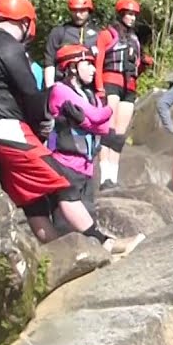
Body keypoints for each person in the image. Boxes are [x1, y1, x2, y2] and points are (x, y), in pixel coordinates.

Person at [0, 0, 142, 255]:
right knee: (63, 183)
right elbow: (29, 95)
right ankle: (106, 244)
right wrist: (44, 123)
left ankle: (56, 254)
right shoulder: (9, 47)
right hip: (11, 128)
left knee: (31, 198)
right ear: (25, 20)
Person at [45, 44, 114, 224]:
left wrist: (84, 121)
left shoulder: (89, 94)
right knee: (65, 224)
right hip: (64, 164)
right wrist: (104, 112)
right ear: (72, 67)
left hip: (87, 166)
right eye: (88, 64)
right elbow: (98, 115)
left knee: (88, 216)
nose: (93, 69)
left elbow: (103, 127)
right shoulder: (59, 90)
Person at [93, 0, 154, 190]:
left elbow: (135, 69)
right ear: (120, 14)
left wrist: (144, 65)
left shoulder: (135, 39)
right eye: (128, 14)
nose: (131, 18)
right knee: (108, 132)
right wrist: (100, 88)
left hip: (129, 87)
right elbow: (99, 62)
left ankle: (113, 177)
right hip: (110, 83)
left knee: (119, 136)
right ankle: (104, 179)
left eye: (134, 14)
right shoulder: (107, 35)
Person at [43, 0, 100, 87]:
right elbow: (49, 63)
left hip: (89, 86)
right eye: (74, 10)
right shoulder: (59, 32)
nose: (78, 15)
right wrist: (50, 89)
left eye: (82, 11)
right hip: (63, 83)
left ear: (89, 10)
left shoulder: (98, 34)